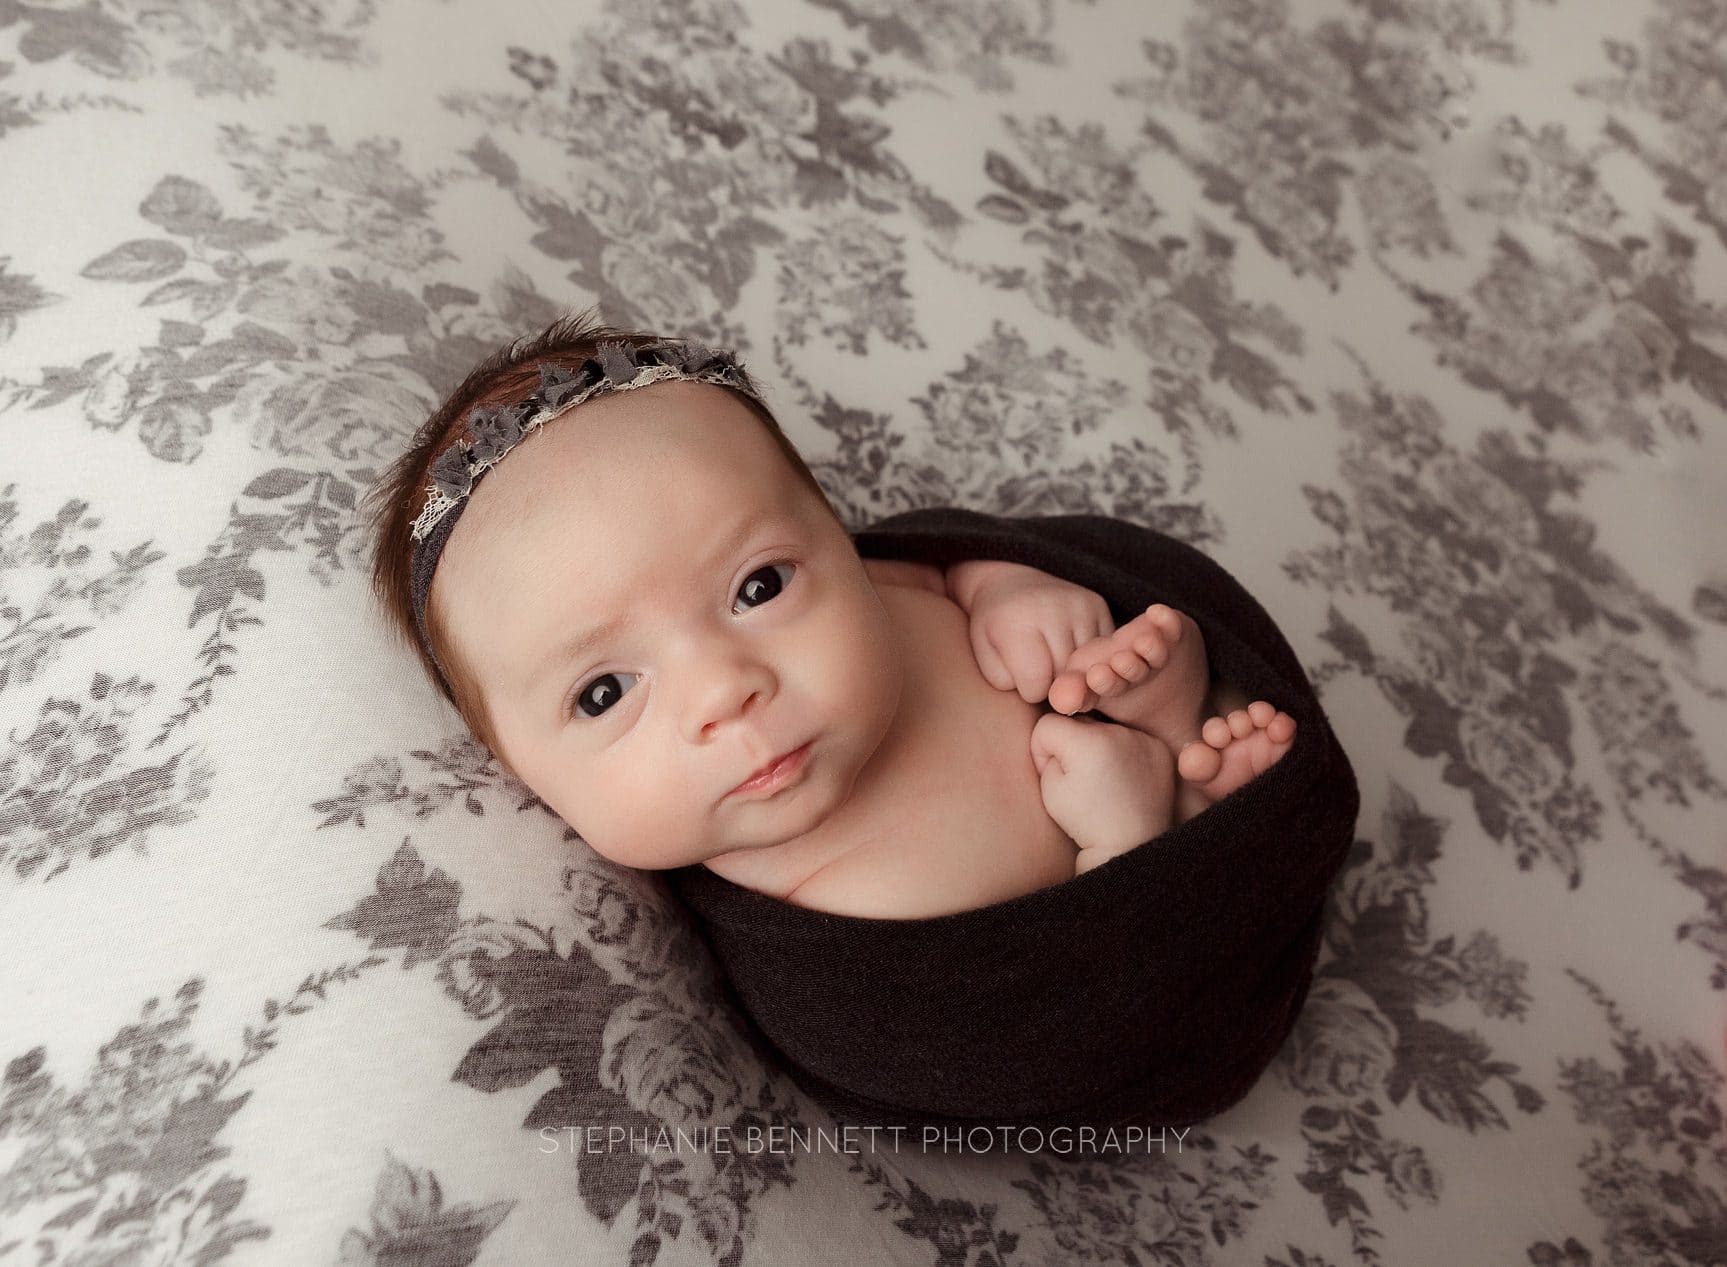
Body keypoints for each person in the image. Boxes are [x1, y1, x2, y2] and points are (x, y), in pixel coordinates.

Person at [364, 309, 1296, 919]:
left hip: (1082, 700)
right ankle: (1174, 809)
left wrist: (1001, 584)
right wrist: (1122, 844)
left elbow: (935, 553)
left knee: (1162, 674)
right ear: (515, 767)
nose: (724, 692)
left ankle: (1173, 729)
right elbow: (1047, 1032)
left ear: (834, 535)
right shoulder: (823, 926)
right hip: (1112, 883)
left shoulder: (886, 584)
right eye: (604, 691)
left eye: (758, 587)